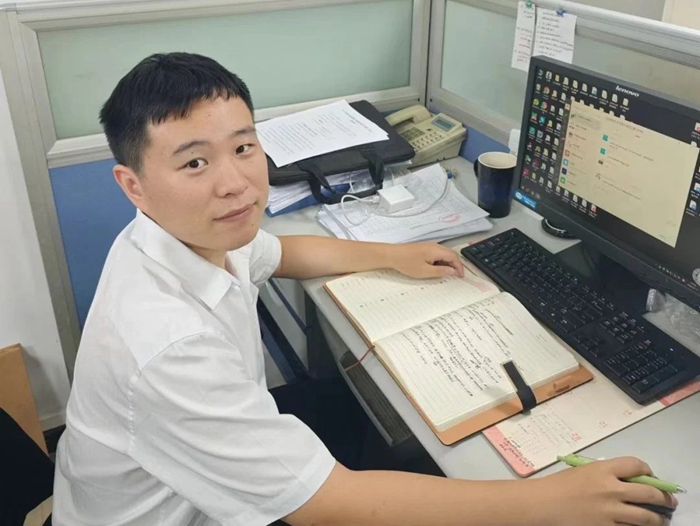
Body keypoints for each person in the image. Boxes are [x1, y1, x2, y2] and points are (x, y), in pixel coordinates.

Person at [53, 52, 675, 526]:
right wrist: (546, 502)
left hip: (207, 476)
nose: (235, 183)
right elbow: (325, 505)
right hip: (185, 515)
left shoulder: (187, 234)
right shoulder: (167, 343)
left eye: (243, 147)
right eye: (195, 162)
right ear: (133, 185)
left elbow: (282, 252)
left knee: (390, 428)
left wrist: (392, 255)